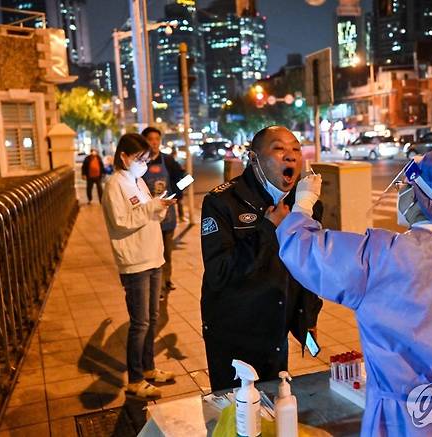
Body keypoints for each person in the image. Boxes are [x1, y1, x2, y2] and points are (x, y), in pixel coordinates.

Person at [275, 149, 432, 436]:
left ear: (416, 195)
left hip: (406, 422)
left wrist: (303, 204)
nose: (400, 193)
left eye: (404, 187)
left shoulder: (381, 256)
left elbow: (304, 251)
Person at [200, 126, 323, 391]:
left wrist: (308, 318)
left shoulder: (305, 204)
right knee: (237, 414)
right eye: (279, 148)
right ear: (254, 158)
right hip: (234, 332)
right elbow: (219, 272)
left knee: (275, 408)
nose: (290, 157)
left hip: (276, 329)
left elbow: (308, 267)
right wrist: (268, 229)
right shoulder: (222, 202)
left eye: (296, 149)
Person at [101, 133, 177, 399]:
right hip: (134, 262)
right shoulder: (115, 185)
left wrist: (161, 206)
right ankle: (134, 379)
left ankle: (148, 369)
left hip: (153, 257)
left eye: (146, 158)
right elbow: (122, 221)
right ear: (123, 156)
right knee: (140, 322)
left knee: (152, 318)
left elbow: (148, 214)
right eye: (139, 158)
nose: (143, 163)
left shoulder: (138, 181)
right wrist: (152, 207)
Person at [141, 127, 187, 296]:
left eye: (156, 139)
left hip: (167, 219)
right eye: (150, 139)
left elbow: (187, 178)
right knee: (152, 254)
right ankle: (156, 286)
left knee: (166, 253)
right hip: (147, 218)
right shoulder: (140, 163)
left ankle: (166, 281)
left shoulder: (167, 161)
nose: (154, 142)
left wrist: (176, 193)